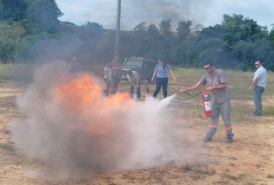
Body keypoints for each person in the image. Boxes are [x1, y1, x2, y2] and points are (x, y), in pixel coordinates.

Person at [179, 60, 234, 143]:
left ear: (212, 67)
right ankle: (209, 136)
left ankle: (230, 136)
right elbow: (197, 85)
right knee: (213, 118)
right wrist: (186, 90)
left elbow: (225, 85)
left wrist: (213, 88)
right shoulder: (206, 76)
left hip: (224, 99)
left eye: (207, 68)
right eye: (205, 68)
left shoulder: (220, 72)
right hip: (215, 100)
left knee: (226, 119)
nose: (206, 70)